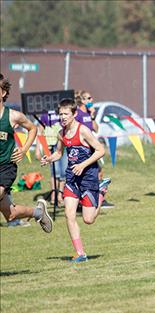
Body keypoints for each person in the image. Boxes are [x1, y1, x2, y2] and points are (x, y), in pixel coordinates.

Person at [41, 98, 106, 262]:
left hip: (89, 177)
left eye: (66, 114)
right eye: (60, 114)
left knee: (88, 220)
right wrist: (49, 159)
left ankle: (101, 192)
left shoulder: (83, 130)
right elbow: (59, 153)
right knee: (69, 215)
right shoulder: (61, 133)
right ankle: (80, 253)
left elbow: (100, 150)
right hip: (72, 178)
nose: (62, 117)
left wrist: (83, 165)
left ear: (74, 114)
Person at [0, 73, 53, 233]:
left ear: (3, 93)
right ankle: (38, 212)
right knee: (11, 215)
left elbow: (33, 128)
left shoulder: (13, 116)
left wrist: (23, 150)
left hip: (5, 166)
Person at [75, 91, 113, 209]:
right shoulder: (78, 114)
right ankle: (86, 201)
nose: (91, 100)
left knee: (98, 172)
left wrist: (92, 116)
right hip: (82, 150)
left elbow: (96, 129)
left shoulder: (88, 114)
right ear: (82, 100)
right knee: (86, 175)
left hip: (91, 148)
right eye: (88, 98)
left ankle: (96, 198)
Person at [35, 110, 68, 206]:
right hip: (51, 146)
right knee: (55, 171)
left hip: (64, 144)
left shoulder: (62, 112)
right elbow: (40, 132)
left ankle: (60, 194)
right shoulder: (45, 114)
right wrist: (38, 149)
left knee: (63, 172)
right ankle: (54, 193)